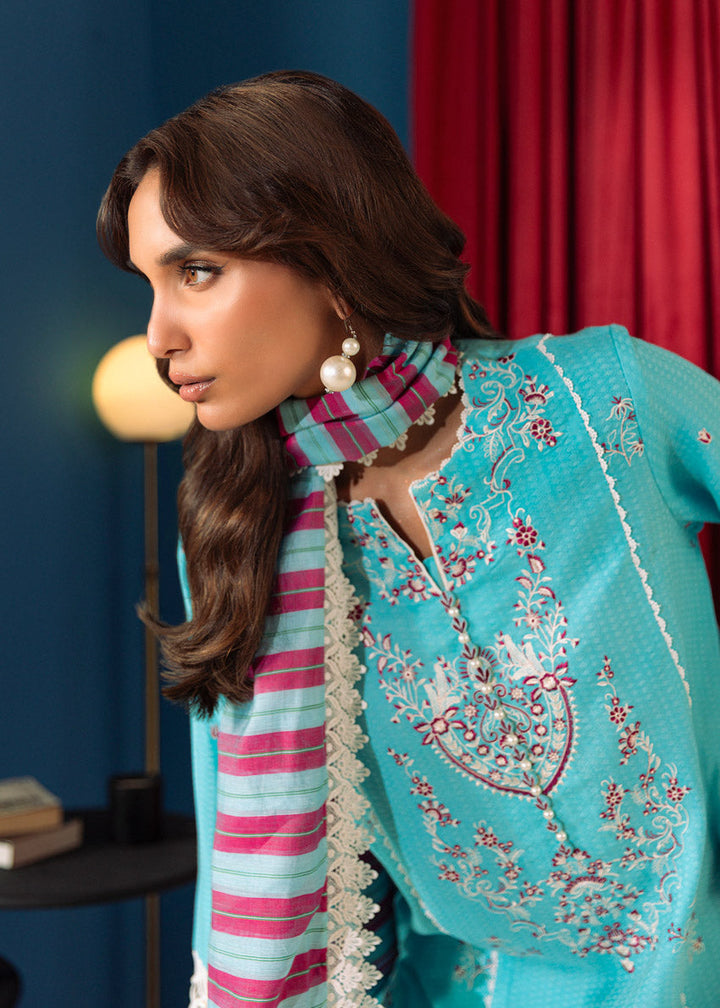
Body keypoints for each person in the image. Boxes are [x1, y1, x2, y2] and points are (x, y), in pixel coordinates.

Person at [97, 70, 720, 1008]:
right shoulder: (235, 531)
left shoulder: (601, 401)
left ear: (328, 257)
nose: (159, 336)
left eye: (196, 272)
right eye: (149, 285)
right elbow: (244, 852)